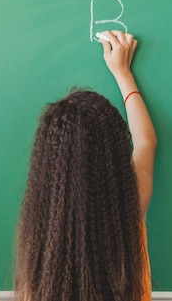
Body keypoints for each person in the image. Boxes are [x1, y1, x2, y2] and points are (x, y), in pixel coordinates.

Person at [14, 30, 157, 301]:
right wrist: (123, 73)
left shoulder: (39, 252)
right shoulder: (131, 206)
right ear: (114, 154)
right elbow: (145, 142)